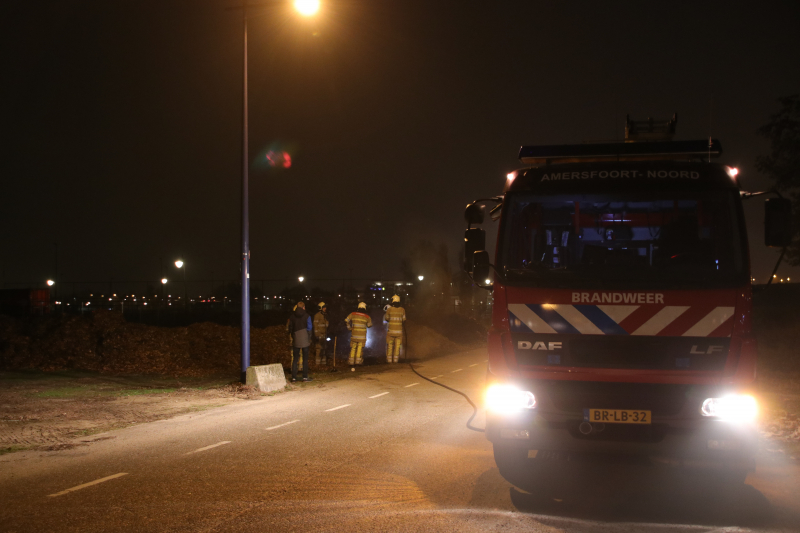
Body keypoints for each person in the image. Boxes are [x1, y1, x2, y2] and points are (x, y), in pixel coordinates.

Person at [286, 301, 313, 382]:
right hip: (305, 339)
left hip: (296, 340)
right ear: (304, 307)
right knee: (305, 359)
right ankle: (305, 377)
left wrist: (293, 336)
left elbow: (290, 328)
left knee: (295, 359)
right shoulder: (307, 316)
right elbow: (309, 328)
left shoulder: (292, 316)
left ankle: (294, 377)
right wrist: (309, 337)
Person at [345, 302, 372, 366]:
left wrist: (349, 328)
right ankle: (358, 362)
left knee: (353, 348)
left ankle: (351, 362)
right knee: (359, 348)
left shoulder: (353, 314)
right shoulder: (367, 317)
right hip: (362, 337)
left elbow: (346, 320)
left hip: (354, 335)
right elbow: (369, 325)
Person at [384, 295, 406, 363]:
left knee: (390, 346)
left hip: (391, 332)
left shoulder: (389, 309)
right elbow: (404, 319)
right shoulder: (402, 310)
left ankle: (389, 360)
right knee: (397, 346)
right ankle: (396, 360)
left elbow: (386, 318)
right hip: (399, 332)